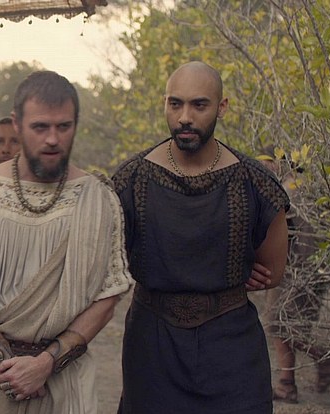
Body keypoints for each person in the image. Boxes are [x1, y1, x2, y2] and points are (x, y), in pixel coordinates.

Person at [0, 70, 132, 413]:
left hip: (64, 381)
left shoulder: (98, 198)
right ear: (17, 124)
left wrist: (44, 365)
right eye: (40, 127)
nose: (52, 139)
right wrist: (12, 368)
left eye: (63, 126)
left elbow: (106, 297)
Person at [110, 61, 290, 413]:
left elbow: (272, 272)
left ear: (221, 107)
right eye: (175, 104)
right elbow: (108, 263)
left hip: (231, 344)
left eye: (199, 105)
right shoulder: (131, 179)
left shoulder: (255, 182)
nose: (185, 117)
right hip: (153, 344)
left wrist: (231, 272)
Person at [259, 147, 330, 403]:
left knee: (278, 323)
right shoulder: (298, 187)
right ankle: (287, 384)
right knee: (283, 325)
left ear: (283, 163)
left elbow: (308, 238)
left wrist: (299, 273)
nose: (265, 168)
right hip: (301, 268)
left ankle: (323, 358)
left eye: (269, 162)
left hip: (299, 270)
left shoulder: (294, 190)